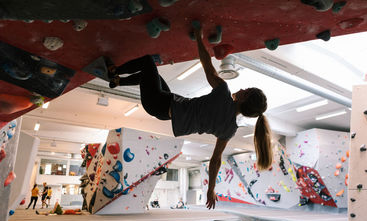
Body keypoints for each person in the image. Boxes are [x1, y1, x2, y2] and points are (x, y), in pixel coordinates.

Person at [107, 23, 273, 210]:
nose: (242, 88)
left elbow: (207, 66)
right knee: (154, 79)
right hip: (166, 108)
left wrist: (199, 37)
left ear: (244, 98)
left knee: (147, 62)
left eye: (247, 90)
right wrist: (211, 189)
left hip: (160, 104)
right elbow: (216, 160)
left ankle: (113, 71)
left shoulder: (223, 94)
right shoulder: (230, 129)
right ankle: (118, 81)